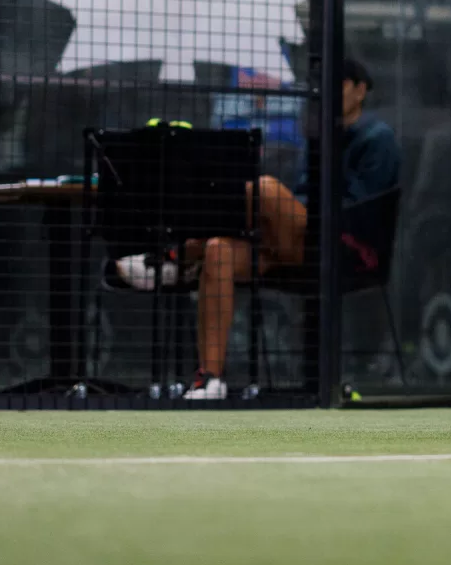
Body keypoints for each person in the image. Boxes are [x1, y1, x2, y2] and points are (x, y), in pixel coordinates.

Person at [109, 57, 403, 400]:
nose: (327, 94)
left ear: (360, 89)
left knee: (263, 189)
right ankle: (210, 379)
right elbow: (304, 193)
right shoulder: (320, 136)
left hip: (345, 245)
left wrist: (290, 212)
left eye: (337, 85)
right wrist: (283, 218)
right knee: (220, 249)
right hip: (298, 244)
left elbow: (359, 208)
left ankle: (177, 254)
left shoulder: (378, 138)